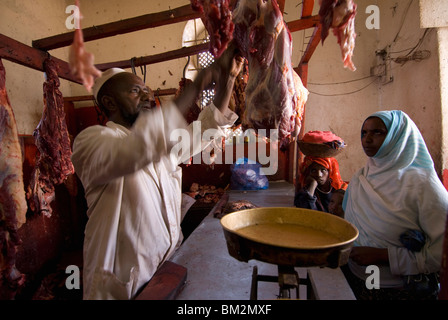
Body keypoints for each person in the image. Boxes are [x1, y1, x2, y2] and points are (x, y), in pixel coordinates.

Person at [71, 45, 244, 300]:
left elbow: (205, 129)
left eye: (147, 91)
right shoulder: (93, 141)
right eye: (134, 91)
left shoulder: (163, 146)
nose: (147, 96)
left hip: (166, 276)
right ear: (109, 102)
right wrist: (195, 87)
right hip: (123, 288)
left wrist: (229, 78)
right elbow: (138, 149)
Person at [342, 110, 448, 300]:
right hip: (360, 278)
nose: (367, 139)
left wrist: (385, 256)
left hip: (401, 289)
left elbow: (442, 253)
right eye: (364, 133)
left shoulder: (423, 185)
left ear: (396, 136)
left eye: (377, 132)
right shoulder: (361, 178)